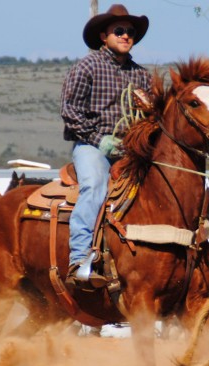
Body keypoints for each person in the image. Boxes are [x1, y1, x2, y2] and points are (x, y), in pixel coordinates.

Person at [61, 4, 152, 287]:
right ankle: (79, 257)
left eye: (131, 32)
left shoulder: (142, 75)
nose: (126, 36)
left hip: (131, 150)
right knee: (95, 184)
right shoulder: (86, 66)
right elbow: (69, 111)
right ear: (104, 36)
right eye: (120, 31)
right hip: (91, 145)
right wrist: (101, 141)